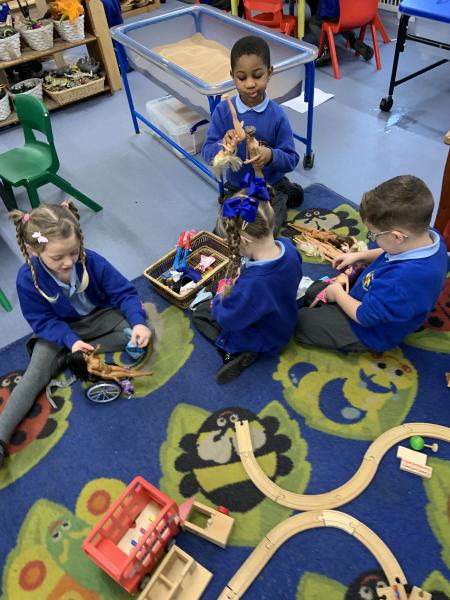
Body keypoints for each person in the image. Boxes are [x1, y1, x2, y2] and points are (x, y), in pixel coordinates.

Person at [0, 201, 152, 468]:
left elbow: (124, 293)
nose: (69, 262)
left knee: (141, 333)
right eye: (58, 257)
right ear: (35, 250)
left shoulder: (91, 261)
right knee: (34, 376)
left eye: (73, 252)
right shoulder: (27, 279)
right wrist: (70, 341)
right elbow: (43, 321)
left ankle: (68, 358)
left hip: (100, 319)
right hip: (58, 332)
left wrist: (138, 323)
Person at [296, 175, 447, 352]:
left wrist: (337, 295)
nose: (372, 238)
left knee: (300, 322)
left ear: (397, 237)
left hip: (367, 330)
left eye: (373, 234)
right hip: (370, 292)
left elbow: (364, 317)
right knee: (314, 292)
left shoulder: (401, 282)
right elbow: (389, 251)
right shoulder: (428, 237)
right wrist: (359, 256)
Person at [192, 177, 303, 384]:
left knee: (202, 313)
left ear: (243, 241)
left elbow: (227, 318)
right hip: (285, 320)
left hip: (265, 336)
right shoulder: (288, 248)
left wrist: (220, 297)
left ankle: (234, 351)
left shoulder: (252, 285)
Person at [202, 35, 304, 236]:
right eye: (242, 78)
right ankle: (285, 193)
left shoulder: (277, 115)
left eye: (257, 76)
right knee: (225, 232)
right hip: (237, 187)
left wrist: (270, 155)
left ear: (269, 72)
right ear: (232, 76)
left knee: (265, 232)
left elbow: (291, 159)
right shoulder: (223, 111)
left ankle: (285, 192)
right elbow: (207, 152)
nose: (250, 84)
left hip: (271, 185)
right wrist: (223, 148)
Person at [305, 0, 374, 67]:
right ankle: (354, 41)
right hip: (360, 14)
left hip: (336, 14)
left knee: (314, 23)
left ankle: (327, 52)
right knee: (340, 22)